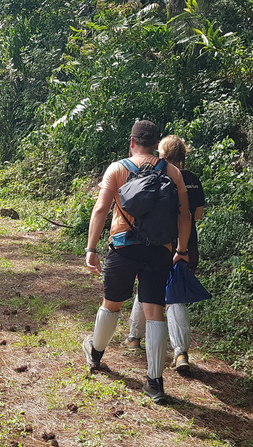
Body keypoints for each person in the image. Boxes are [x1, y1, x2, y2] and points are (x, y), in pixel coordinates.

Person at [83, 120, 192, 404]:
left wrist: (91, 248)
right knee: (155, 311)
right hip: (159, 250)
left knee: (112, 303)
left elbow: (100, 209)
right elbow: (185, 216)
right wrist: (180, 249)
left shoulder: (118, 169)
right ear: (156, 144)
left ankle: (95, 354)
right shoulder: (173, 172)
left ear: (132, 142)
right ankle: (155, 383)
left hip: (123, 247)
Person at [126, 135, 205, 372]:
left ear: (160, 153)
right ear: (183, 155)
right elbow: (197, 215)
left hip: (159, 243)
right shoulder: (191, 180)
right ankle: (181, 353)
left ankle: (134, 337)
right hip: (187, 245)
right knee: (176, 295)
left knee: (147, 287)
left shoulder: (155, 175)